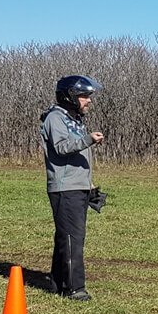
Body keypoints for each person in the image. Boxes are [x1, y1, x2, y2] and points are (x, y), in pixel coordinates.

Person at [40, 75, 104, 301]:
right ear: (70, 97)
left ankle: (58, 283)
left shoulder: (73, 119)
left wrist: (89, 184)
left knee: (65, 236)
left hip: (77, 187)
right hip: (64, 188)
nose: (88, 101)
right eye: (84, 96)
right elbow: (61, 148)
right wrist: (88, 139)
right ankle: (75, 288)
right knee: (72, 238)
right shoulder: (55, 119)